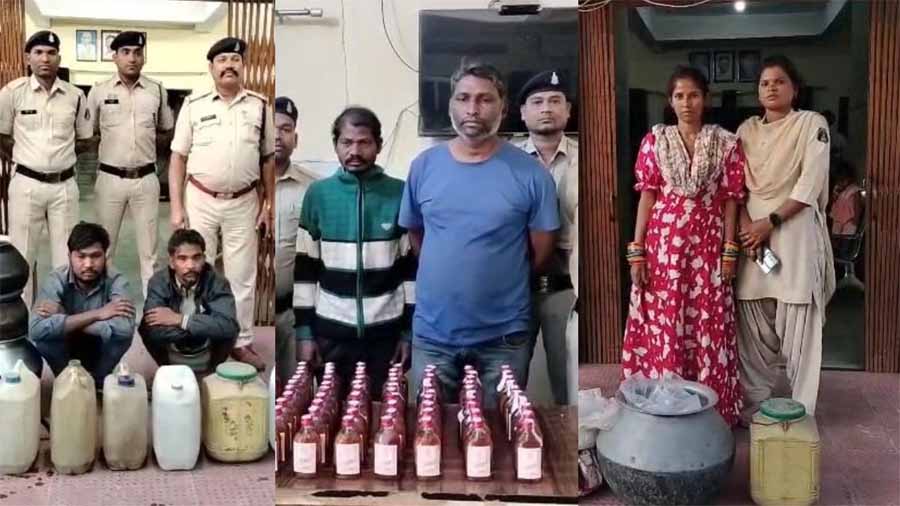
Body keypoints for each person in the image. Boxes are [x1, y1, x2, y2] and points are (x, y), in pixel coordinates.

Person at [399, 61, 560, 408]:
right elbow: (417, 235)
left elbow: (541, 251)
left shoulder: (532, 175)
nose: (472, 109)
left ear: (503, 107)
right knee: (430, 431)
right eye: (463, 98)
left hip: (503, 338)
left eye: (485, 99)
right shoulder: (423, 167)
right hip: (433, 336)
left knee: (500, 432)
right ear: (451, 104)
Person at [621, 66, 746, 427]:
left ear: (705, 99)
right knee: (666, 321)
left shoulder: (726, 143)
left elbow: (731, 200)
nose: (687, 103)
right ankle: (663, 408)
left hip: (707, 246)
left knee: (708, 324)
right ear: (670, 101)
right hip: (663, 249)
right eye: (679, 96)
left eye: (693, 95)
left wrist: (729, 251)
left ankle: (710, 414)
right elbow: (647, 196)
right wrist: (637, 250)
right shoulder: (655, 141)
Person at [736, 55, 836, 422]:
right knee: (752, 320)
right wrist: (747, 228)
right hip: (753, 241)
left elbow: (810, 183)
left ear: (795, 89)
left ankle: (800, 412)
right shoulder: (746, 131)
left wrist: (770, 221)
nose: (771, 88)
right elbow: (734, 186)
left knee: (799, 321)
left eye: (779, 81)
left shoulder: (811, 124)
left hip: (793, 235)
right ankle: (754, 406)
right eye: (764, 83)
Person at [169, 37, 275, 370]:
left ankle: (241, 342)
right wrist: (176, 207)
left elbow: (268, 159)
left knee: (242, 276)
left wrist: (268, 205)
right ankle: (198, 334)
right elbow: (177, 158)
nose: (229, 65)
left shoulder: (259, 106)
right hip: (200, 198)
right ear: (211, 67)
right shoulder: (194, 105)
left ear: (243, 65)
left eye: (235, 59)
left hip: (244, 201)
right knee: (195, 271)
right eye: (222, 60)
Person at [294, 107, 414, 398]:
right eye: (347, 142)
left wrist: (408, 334)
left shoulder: (400, 193)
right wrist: (305, 334)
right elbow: (305, 271)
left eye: (364, 142)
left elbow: (411, 272)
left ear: (379, 145)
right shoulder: (318, 194)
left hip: (385, 337)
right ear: (336, 144)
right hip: (330, 336)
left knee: (384, 415)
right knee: (329, 415)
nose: (355, 151)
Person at [0, 30, 93, 305]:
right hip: (26, 185)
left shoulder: (75, 96)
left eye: (51, 53)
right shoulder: (12, 93)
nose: (45, 58)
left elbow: (85, 139)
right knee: (23, 255)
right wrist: (29, 158)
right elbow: (2, 136)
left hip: (64, 186)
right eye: (38, 52)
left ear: (59, 58)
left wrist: (59, 158)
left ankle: (59, 317)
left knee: (65, 258)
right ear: (28, 58)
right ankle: (23, 318)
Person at [87, 31, 175, 297]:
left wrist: (146, 146)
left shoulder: (157, 90)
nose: (132, 58)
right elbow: (89, 132)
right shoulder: (98, 91)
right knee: (104, 248)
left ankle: (152, 307)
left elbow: (166, 129)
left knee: (150, 252)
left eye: (137, 53)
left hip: (145, 179)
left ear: (143, 57)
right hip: (110, 179)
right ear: (114, 57)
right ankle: (104, 304)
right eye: (125, 52)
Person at [514, 70, 578, 405]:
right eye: (537, 102)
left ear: (568, 110)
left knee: (567, 382)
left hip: (566, 286)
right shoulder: (505, 162)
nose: (546, 108)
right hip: (514, 287)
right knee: (508, 379)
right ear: (522, 113)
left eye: (555, 101)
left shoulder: (587, 160)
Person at [28, 222, 135, 385]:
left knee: (120, 339)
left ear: (105, 255)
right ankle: (66, 380)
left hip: (99, 346)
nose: (88, 264)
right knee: (45, 339)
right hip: (65, 345)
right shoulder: (56, 279)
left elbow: (125, 329)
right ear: (69, 256)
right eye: (81, 256)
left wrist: (65, 316)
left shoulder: (117, 281)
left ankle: (98, 381)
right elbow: (36, 329)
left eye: (95, 256)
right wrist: (98, 314)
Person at [139, 229, 239, 373]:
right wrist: (204, 327)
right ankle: (168, 369)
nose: (190, 265)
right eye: (182, 259)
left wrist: (181, 320)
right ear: (172, 262)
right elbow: (153, 328)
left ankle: (211, 371)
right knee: (146, 328)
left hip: (206, 348)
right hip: (177, 347)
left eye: (196, 258)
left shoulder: (217, 282)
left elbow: (228, 326)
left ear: (204, 258)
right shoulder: (158, 282)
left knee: (230, 330)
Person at [273, 96, 317, 382]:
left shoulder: (313, 188)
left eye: (286, 129)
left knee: (294, 395)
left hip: (292, 315)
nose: (277, 135)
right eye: (271, 128)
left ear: (295, 139)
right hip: (246, 316)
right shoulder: (242, 185)